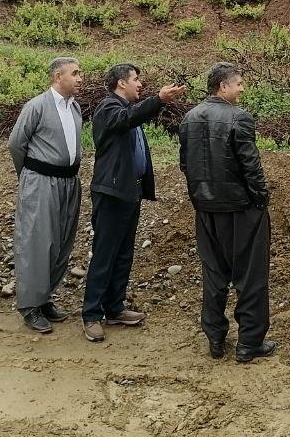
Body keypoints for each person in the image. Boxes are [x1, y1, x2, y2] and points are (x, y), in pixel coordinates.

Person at [178, 62, 276, 363]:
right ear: (223, 87)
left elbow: (185, 164)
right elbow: (251, 166)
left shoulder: (189, 118)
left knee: (213, 273)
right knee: (250, 275)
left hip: (206, 209)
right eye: (238, 84)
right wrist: (261, 198)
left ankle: (216, 338)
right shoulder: (240, 118)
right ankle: (249, 342)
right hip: (240, 209)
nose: (242, 89)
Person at [81, 64, 185, 343]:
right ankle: (91, 315)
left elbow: (132, 120)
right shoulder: (109, 108)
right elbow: (127, 119)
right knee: (104, 254)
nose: (140, 84)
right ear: (120, 83)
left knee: (124, 253)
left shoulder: (126, 110)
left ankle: (114, 308)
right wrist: (159, 100)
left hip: (129, 192)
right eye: (135, 79)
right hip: (111, 193)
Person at [8, 57, 84, 334]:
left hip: (68, 182)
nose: (80, 78)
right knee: (37, 241)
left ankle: (45, 297)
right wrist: (30, 176)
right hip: (41, 181)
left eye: (80, 73)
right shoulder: (37, 106)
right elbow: (17, 143)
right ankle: (29, 305)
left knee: (61, 241)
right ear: (57, 76)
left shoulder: (74, 107)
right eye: (74, 73)